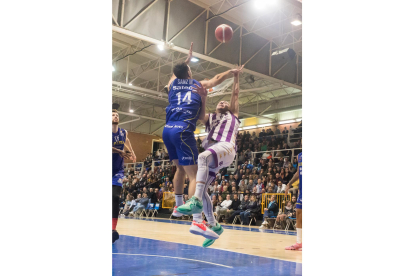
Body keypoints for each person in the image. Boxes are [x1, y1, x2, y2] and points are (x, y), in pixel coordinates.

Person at [163, 42, 238, 218]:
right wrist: (230, 72)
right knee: (194, 174)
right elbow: (216, 78)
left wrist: (186, 60)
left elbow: (174, 74)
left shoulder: (172, 85)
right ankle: (196, 218)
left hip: (167, 130)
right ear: (189, 73)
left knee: (179, 170)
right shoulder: (197, 85)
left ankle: (178, 206)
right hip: (182, 130)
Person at [177, 65, 244, 247]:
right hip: (216, 154)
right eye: (219, 102)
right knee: (204, 188)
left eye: (225, 103)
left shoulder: (233, 115)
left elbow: (235, 96)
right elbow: (200, 116)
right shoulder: (211, 118)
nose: (223, 103)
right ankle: (213, 225)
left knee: (201, 158)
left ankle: (195, 202)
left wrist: (236, 77)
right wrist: (204, 98)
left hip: (226, 147)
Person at [112, 109, 136, 243]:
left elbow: (127, 140)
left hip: (117, 171)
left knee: (115, 197)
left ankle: (112, 229)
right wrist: (118, 150)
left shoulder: (123, 132)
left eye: (117, 115)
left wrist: (132, 152)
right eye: (113, 115)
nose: (115, 116)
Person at [285, 153, 302, 251]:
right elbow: (298, 173)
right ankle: (299, 242)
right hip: (302, 189)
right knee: (298, 212)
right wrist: (289, 184)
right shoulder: (299, 156)